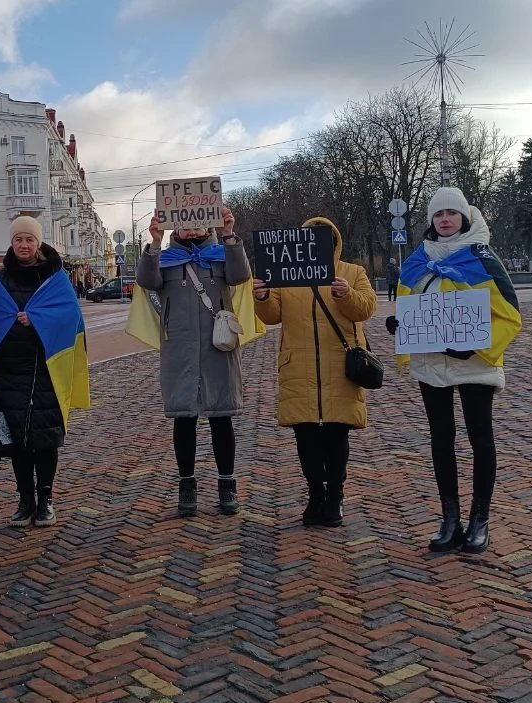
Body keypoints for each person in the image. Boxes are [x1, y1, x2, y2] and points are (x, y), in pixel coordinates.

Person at [389, 188, 521, 554]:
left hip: (475, 363)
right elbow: (407, 303)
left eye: (451, 213)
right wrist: (401, 326)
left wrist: (477, 343)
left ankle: (480, 519)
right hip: (431, 363)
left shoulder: (482, 257)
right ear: (431, 221)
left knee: (481, 438)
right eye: (438, 214)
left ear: (464, 216)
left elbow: (510, 314)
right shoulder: (417, 260)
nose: (444, 219)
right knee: (440, 438)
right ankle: (450, 519)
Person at [132, 206, 256, 518]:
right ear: (176, 226)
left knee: (220, 415)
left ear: (209, 223)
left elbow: (241, 275)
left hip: (218, 347)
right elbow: (147, 281)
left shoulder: (220, 253)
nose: (192, 228)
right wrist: (155, 243)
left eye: (199, 222)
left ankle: (227, 484)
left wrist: (229, 235)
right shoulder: (166, 258)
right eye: (185, 223)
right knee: (183, 418)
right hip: (180, 349)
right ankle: (186, 485)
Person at [254, 218, 376, 527]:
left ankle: (334, 497)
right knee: (305, 437)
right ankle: (314, 495)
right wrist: (263, 298)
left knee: (337, 435)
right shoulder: (284, 275)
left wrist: (346, 294)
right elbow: (272, 317)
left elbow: (366, 309)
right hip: (299, 366)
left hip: (341, 368)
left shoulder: (352, 272)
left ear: (333, 242)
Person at [0, 217, 90, 526]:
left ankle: (46, 500)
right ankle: (25, 501)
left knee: (46, 439)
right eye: (18, 240)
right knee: (19, 442)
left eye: (29, 240)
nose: (23, 245)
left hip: (46, 370)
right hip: (9, 373)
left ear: (38, 243)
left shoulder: (56, 277)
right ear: (12, 243)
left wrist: (38, 321)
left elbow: (71, 319)